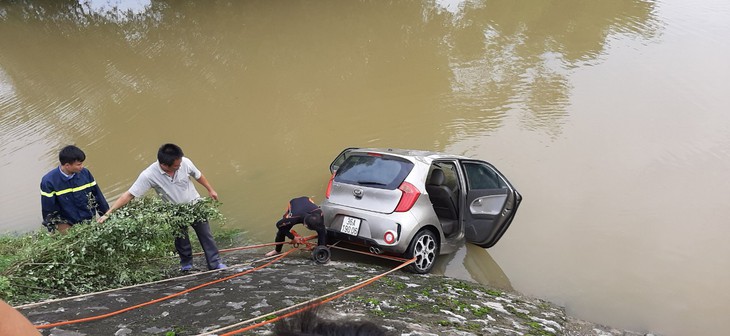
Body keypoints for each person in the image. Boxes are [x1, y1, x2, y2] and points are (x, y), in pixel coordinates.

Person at [98, 143, 225, 271]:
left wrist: (210, 189)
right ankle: (186, 263)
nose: (179, 166)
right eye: (176, 166)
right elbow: (129, 195)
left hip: (194, 205)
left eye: (179, 163)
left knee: (206, 235)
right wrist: (108, 214)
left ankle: (215, 263)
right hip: (174, 212)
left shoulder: (185, 162)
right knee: (181, 239)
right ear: (164, 165)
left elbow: (198, 175)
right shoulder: (149, 175)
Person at [40, 145, 109, 233]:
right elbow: (48, 209)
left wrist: (107, 215)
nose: (82, 167)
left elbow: (97, 197)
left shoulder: (85, 174)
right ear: (67, 165)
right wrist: (52, 229)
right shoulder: (49, 181)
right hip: (66, 224)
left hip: (88, 220)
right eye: (79, 164)